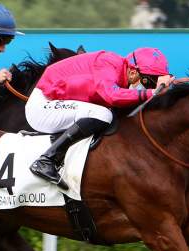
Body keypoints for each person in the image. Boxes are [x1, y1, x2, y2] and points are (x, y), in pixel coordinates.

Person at [26, 47, 175, 190]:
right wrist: (151, 93)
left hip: (57, 103)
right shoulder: (107, 64)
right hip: (43, 107)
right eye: (149, 82)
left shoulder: (118, 69)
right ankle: (46, 160)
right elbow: (112, 95)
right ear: (132, 72)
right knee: (103, 114)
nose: (150, 87)